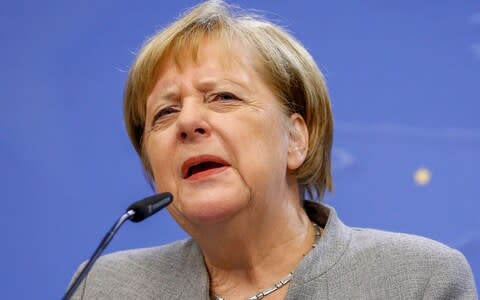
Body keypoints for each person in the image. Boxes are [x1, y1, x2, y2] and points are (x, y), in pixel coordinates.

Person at [69, 1, 477, 299]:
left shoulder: (418, 280)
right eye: (165, 112)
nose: (187, 123)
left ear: (296, 139)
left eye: (223, 97)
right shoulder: (103, 288)